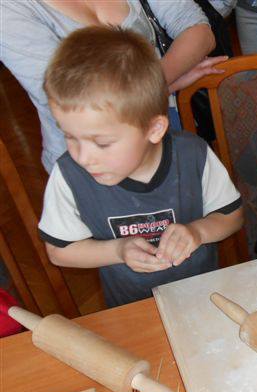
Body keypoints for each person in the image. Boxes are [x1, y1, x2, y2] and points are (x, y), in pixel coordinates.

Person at [38, 27, 243, 307]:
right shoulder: (68, 175)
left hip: (203, 298)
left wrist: (198, 232)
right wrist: (118, 250)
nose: (83, 157)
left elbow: (232, 217)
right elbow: (60, 252)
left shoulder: (193, 155)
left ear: (154, 128)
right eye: (70, 137)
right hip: (130, 308)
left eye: (102, 143)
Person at [0, 0, 222, 173]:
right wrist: (163, 85)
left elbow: (200, 33)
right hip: (91, 161)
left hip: (162, 133)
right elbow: (71, 100)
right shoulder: (9, 10)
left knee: (188, 225)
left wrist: (159, 81)